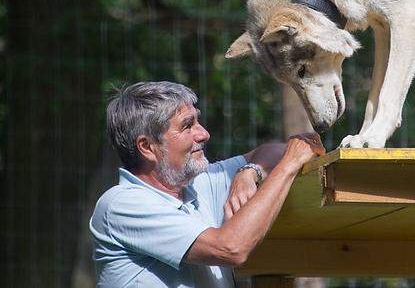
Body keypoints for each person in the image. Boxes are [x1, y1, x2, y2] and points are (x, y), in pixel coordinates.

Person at [90, 81, 324, 287]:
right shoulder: (123, 204)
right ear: (147, 147)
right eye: (187, 125)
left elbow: (277, 151)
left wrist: (249, 172)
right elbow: (231, 248)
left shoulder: (197, 183)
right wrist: (289, 167)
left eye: (198, 121)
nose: (203, 134)